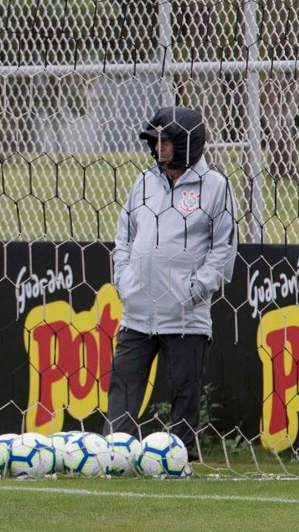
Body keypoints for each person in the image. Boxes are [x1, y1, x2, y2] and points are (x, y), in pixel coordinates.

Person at [107, 106, 237, 462]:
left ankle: (181, 456)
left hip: (184, 313)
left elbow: (224, 248)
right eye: (155, 141)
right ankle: (116, 452)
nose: (157, 147)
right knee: (123, 382)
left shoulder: (216, 187)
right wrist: (125, 281)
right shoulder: (144, 182)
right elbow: (124, 236)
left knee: (184, 390)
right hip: (138, 309)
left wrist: (195, 290)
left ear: (187, 143)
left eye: (165, 141)